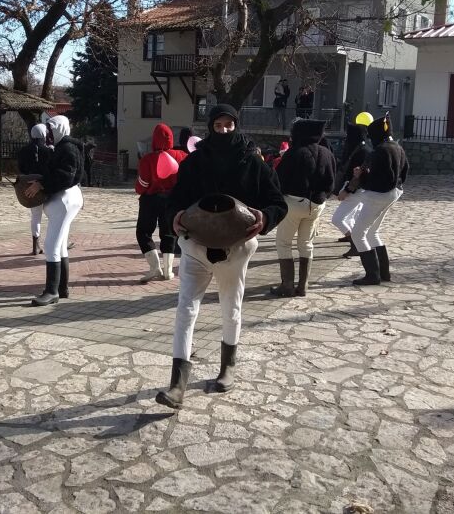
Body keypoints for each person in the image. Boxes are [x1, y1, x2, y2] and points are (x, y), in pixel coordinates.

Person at [155, 104, 287, 409]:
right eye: (218, 125)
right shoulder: (194, 162)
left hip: (236, 249)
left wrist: (264, 218)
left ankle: (228, 366)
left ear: (236, 126)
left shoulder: (254, 163)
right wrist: (174, 215)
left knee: (231, 307)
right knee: (185, 310)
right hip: (196, 246)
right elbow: (175, 198)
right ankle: (177, 383)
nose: (224, 130)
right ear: (210, 127)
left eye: (229, 125)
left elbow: (276, 202)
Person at [269, 119, 336, 297]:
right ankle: (303, 286)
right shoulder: (326, 153)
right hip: (317, 204)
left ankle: (287, 285)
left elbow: (279, 179)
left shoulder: (295, 153)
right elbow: (331, 182)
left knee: (283, 242)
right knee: (306, 243)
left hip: (294, 203)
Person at [25, 116, 84, 306]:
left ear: (59, 130)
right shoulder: (65, 147)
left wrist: (42, 184)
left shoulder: (67, 148)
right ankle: (62, 288)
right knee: (59, 246)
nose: (48, 134)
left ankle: (52, 291)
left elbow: (66, 175)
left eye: (51, 130)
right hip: (66, 199)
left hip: (64, 200)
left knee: (51, 246)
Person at [349, 114, 409, 286]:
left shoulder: (380, 150)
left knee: (358, 233)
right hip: (394, 193)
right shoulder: (397, 147)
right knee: (372, 232)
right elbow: (404, 172)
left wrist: (361, 176)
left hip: (378, 195)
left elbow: (377, 180)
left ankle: (372, 275)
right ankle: (384, 273)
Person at [135, 123, 188, 283]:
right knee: (168, 232)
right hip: (172, 199)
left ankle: (154, 267)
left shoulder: (147, 159)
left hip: (150, 199)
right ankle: (168, 270)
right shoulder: (181, 156)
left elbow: (142, 184)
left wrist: (139, 189)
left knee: (143, 232)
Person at [332, 121, 372, 258]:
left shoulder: (362, 151)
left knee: (337, 219)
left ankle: (355, 243)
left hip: (357, 191)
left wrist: (346, 191)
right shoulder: (360, 148)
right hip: (359, 191)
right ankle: (353, 239)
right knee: (350, 218)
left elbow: (358, 176)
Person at [17, 123, 52, 255]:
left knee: (35, 217)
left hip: (29, 186)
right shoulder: (49, 151)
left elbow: (21, 169)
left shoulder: (23, 151)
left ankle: (35, 245)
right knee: (53, 216)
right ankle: (55, 241)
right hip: (45, 186)